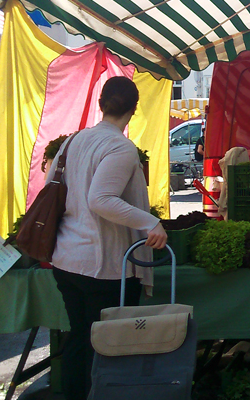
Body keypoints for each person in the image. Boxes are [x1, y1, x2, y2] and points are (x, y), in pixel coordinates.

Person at [49, 76, 168, 400]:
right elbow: (99, 199)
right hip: (104, 267)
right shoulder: (120, 147)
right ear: (134, 108)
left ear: (101, 104)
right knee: (109, 346)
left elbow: (52, 188)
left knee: (79, 339)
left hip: (67, 261)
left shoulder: (72, 142)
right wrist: (150, 222)